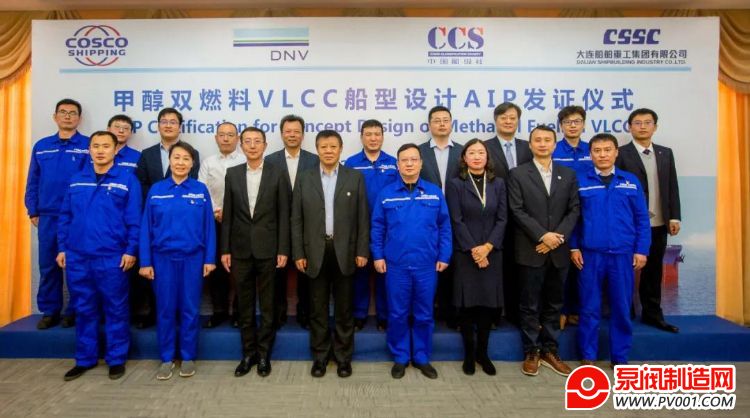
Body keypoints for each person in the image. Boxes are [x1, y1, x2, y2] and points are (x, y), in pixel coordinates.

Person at [56, 131, 141, 381]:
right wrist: (62, 247)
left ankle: (116, 359)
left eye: (106, 146)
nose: (100, 150)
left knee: (116, 308)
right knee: (83, 308)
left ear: (116, 150)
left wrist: (131, 250)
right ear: (89, 150)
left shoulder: (127, 180)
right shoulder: (76, 180)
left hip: (112, 256)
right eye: (95, 146)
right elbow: (65, 216)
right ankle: (85, 359)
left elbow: (134, 220)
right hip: (78, 256)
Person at [291, 130, 369, 379]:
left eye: (333, 146)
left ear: (340, 149)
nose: (328, 151)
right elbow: (296, 219)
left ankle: (344, 358)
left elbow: (363, 218)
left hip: (345, 251)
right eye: (323, 147)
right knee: (318, 309)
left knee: (345, 309)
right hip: (314, 251)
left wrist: (362, 250)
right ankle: (320, 357)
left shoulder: (354, 177)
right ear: (317, 150)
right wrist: (298, 252)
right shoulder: (304, 178)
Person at [371, 143, 452, 380]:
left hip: (427, 265)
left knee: (424, 314)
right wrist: (377, 255)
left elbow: (445, 227)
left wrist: (444, 255)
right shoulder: (386, 194)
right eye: (404, 160)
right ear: (397, 165)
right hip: (396, 266)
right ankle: (400, 357)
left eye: (413, 160)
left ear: (420, 163)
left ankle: (421, 357)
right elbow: (377, 227)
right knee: (397, 314)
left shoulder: (434, 192)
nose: (409, 164)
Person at [571, 133, 650, 367]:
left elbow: (642, 219)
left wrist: (641, 250)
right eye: (597, 151)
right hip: (590, 255)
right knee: (589, 307)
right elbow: (574, 219)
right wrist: (574, 247)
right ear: (590, 154)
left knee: (621, 308)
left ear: (616, 152)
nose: (602, 155)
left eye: (607, 150)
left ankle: (620, 357)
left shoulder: (630, 181)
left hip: (622, 255)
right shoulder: (581, 181)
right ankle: (588, 355)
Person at [139, 141, 216, 380]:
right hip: (162, 259)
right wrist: (145, 261)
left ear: (192, 163)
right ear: (169, 161)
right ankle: (166, 358)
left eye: (186, 159)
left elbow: (209, 227)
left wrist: (209, 258)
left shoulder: (200, 190)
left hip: (193, 259)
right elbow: (145, 228)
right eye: (176, 158)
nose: (181, 162)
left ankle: (188, 356)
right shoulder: (157, 189)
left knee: (190, 309)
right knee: (165, 309)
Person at [507, 125, 580, 377]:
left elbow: (574, 210)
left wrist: (555, 238)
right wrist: (542, 235)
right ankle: (532, 351)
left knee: (554, 303)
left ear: (554, 144)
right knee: (529, 304)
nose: (542, 144)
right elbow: (516, 210)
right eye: (537, 140)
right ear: (530, 145)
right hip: (531, 248)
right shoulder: (517, 174)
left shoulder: (567, 174)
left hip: (558, 250)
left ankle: (550, 350)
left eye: (547, 140)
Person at [221, 127, 290, 378]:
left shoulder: (277, 172)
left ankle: (263, 355)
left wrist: (283, 248)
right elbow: (228, 215)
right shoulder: (232, 173)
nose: (252, 145)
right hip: (239, 249)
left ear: (265, 145)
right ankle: (248, 354)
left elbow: (284, 213)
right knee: (245, 305)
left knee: (269, 305)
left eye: (257, 141)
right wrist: (225, 249)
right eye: (247, 141)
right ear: (241, 145)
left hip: (269, 249)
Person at [25, 98, 90, 330]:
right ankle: (49, 311)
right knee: (48, 265)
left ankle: (74, 311)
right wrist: (32, 209)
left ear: (79, 118)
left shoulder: (88, 145)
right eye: (63, 112)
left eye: (72, 113)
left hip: (77, 216)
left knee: (76, 265)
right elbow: (33, 180)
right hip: (48, 215)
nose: (68, 116)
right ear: (55, 117)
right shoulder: (42, 146)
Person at [134, 108, 200, 329]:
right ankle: (153, 313)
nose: (168, 125)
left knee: (186, 296)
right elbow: (141, 184)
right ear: (158, 125)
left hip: (184, 225)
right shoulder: (147, 154)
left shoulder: (191, 152)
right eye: (164, 121)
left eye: (173, 122)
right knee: (157, 280)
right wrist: (160, 198)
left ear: (180, 127)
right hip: (157, 217)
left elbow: (192, 183)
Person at [616, 108, 681, 333]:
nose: (642, 126)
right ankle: (625, 314)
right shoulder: (620, 154)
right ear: (629, 127)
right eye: (637, 123)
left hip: (659, 223)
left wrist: (674, 216)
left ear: (655, 126)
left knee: (653, 271)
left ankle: (652, 314)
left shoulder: (665, 153)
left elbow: (672, 186)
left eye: (647, 122)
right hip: (629, 225)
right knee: (624, 271)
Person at [445, 138, 507, 376]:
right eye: (472, 153)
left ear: (487, 157)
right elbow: (456, 220)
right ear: (464, 158)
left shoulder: (498, 183)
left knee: (486, 306)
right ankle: (469, 355)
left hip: (492, 253)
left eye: (481, 152)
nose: (477, 156)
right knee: (468, 307)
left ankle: (483, 353)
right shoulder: (455, 184)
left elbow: (502, 219)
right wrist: (474, 249)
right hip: (466, 254)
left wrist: (487, 247)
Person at [342, 119, 399, 332]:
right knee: (360, 273)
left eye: (377, 134)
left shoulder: (393, 163)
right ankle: (359, 314)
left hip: (387, 229)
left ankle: (384, 316)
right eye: (368, 134)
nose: (373, 138)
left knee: (384, 273)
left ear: (383, 137)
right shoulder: (351, 163)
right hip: (360, 228)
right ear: (361, 137)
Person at [266, 114, 320, 329]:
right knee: (277, 274)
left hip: (307, 227)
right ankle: (278, 314)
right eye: (288, 131)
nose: (292, 135)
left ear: (303, 135)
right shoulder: (270, 160)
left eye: (296, 131)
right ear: (281, 134)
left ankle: (305, 314)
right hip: (276, 227)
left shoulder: (314, 160)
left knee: (306, 273)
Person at [484, 102, 533, 326]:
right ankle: (494, 314)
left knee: (520, 268)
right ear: (496, 121)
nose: (508, 121)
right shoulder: (485, 148)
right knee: (496, 268)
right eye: (503, 117)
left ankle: (516, 313)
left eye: (512, 118)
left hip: (524, 217)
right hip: (495, 217)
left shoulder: (528, 147)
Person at [418, 105, 463, 328]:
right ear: (429, 125)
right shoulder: (419, 152)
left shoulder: (463, 151)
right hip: (426, 217)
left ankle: (451, 312)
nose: (442, 124)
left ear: (451, 123)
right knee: (429, 264)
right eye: (437, 120)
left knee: (453, 265)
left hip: (458, 216)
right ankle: (430, 311)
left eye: (446, 120)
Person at [552, 105, 594, 328]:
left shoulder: (592, 150)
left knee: (583, 264)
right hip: (561, 214)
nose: (572, 125)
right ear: (561, 126)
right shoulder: (554, 150)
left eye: (577, 121)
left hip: (589, 213)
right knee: (562, 265)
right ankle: (562, 309)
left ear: (583, 124)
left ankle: (578, 309)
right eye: (568, 122)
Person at [199, 122, 244, 329]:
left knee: (240, 269)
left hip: (240, 222)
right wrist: (216, 211)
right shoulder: (208, 162)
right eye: (222, 135)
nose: (226, 138)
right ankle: (219, 312)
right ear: (216, 138)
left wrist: (231, 212)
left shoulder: (245, 160)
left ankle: (239, 312)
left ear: (237, 139)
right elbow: (202, 190)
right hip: (214, 221)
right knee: (216, 269)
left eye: (230, 135)